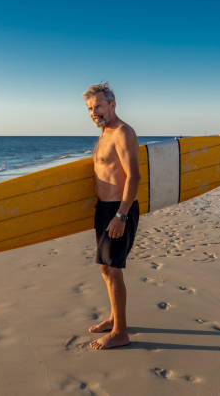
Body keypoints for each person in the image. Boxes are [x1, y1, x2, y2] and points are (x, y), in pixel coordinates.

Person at [82, 83, 141, 350]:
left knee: (114, 270)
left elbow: (134, 176)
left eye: (99, 106)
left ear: (112, 105)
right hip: (104, 209)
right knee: (106, 268)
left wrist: (121, 215)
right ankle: (114, 318)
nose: (94, 112)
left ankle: (120, 332)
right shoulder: (104, 133)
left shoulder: (123, 132)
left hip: (119, 209)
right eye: (90, 108)